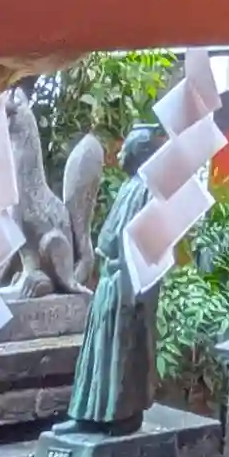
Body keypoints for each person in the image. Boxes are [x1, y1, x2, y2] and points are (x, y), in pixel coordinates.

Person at [64, 125, 162, 434]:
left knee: (121, 351)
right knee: (97, 353)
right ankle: (86, 416)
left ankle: (121, 416)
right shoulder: (130, 186)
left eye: (125, 149)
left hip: (126, 283)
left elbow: (149, 247)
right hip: (109, 280)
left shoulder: (148, 191)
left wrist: (130, 279)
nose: (119, 154)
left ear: (138, 154)